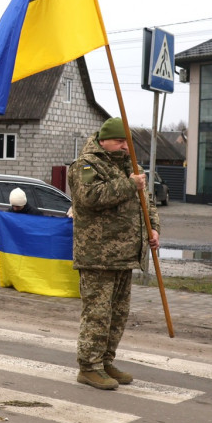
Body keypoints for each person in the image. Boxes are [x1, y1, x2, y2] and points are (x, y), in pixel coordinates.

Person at [68, 117, 159, 391]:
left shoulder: (132, 168)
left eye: (127, 142)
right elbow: (91, 197)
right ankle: (89, 367)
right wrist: (130, 185)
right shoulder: (85, 165)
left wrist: (153, 228)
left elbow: (148, 201)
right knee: (98, 314)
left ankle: (106, 361)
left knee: (118, 313)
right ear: (104, 140)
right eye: (120, 141)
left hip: (126, 254)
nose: (124, 147)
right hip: (98, 254)